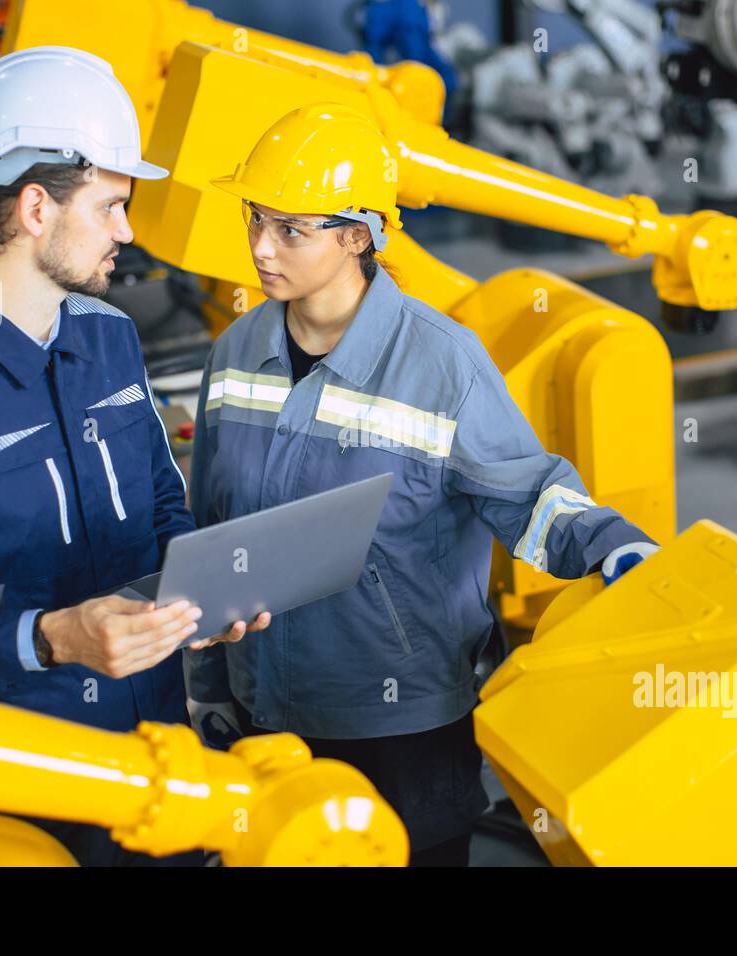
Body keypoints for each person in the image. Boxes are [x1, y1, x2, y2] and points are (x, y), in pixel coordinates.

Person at [183, 103, 659, 866]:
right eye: (255, 219)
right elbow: (210, 529)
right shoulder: (237, 350)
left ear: (357, 235)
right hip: (265, 713)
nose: (261, 249)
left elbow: (527, 492)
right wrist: (209, 683)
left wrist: (613, 548)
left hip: (401, 726)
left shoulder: (441, 363)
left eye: (290, 229)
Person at [0, 46, 266, 866]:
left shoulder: (111, 337)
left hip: (159, 755)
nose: (127, 232)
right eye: (109, 206)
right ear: (36, 208)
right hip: (28, 777)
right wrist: (53, 638)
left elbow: (162, 509)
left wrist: (211, 590)